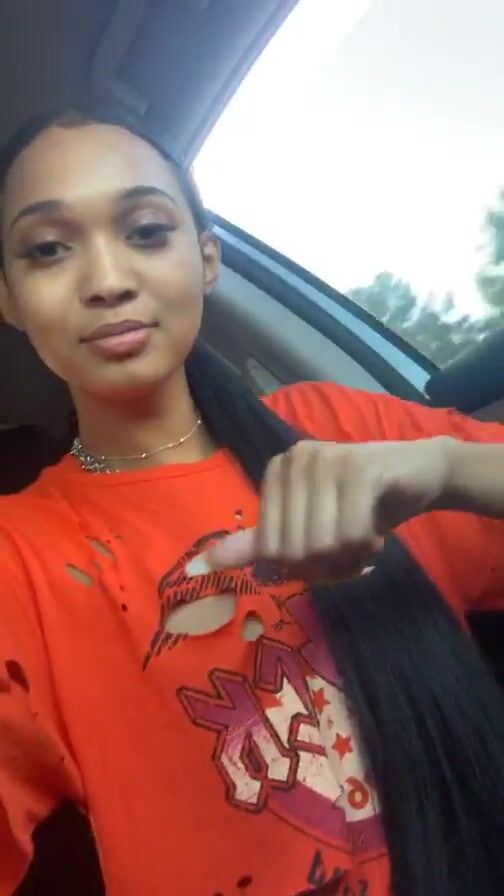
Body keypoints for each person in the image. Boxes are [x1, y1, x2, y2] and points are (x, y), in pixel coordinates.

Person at [0, 101, 503, 896]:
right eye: (49, 249)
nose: (107, 281)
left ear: (206, 259)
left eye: (146, 232)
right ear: (9, 298)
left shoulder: (341, 428)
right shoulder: (20, 557)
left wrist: (448, 470)